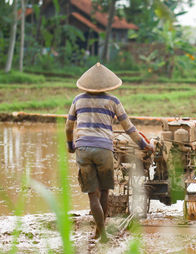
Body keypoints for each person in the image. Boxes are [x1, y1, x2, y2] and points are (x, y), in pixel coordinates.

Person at [65, 62, 153, 242]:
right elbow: (129, 128)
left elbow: (68, 126)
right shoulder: (113, 101)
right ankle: (102, 234)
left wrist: (70, 145)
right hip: (104, 150)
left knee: (92, 195)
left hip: (83, 148)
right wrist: (144, 144)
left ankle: (99, 233)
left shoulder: (77, 100)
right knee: (104, 192)